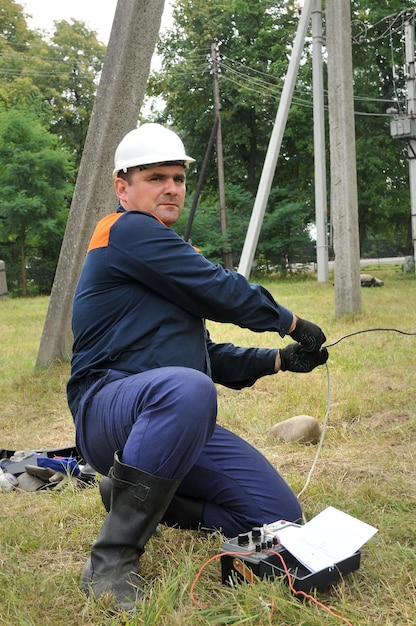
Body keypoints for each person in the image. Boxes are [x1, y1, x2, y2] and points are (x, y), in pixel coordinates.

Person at [67, 122, 328, 611]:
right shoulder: (127, 231)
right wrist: (289, 322)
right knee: (187, 390)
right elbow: (219, 288)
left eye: (178, 178)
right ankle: (112, 562)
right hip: (108, 409)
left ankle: (127, 494)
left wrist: (279, 360)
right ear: (123, 187)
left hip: (167, 417)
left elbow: (202, 355)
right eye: (155, 177)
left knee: (277, 516)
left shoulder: (158, 256)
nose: (171, 187)